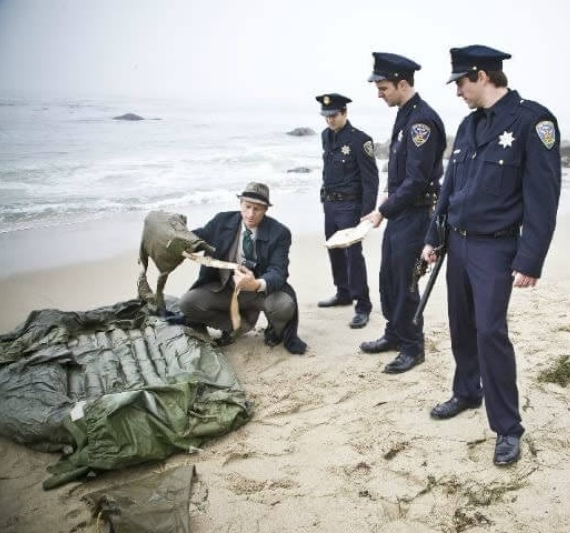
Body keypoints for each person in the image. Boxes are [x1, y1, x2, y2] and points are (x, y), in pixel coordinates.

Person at [421, 45, 561, 466]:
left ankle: (507, 427)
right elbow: (450, 187)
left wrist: (530, 258)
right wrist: (434, 236)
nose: (458, 90)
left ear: (482, 76)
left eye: (461, 81)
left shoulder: (532, 121)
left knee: (490, 334)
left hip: (496, 247)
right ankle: (466, 391)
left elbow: (543, 196)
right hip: (458, 243)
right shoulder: (468, 126)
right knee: (461, 326)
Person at [360, 52, 446, 374]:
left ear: (402, 83)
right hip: (400, 213)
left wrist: (382, 210)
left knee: (407, 284)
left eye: (383, 88)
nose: (379, 94)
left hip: (416, 215)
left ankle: (413, 347)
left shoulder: (421, 120)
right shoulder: (404, 113)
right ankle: (394, 333)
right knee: (389, 279)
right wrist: (385, 200)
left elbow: (417, 180)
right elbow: (397, 173)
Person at [175, 182, 307, 354]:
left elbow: (278, 272)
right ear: (240, 204)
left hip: (260, 291)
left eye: (257, 209)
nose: (251, 214)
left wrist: (255, 284)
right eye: (247, 206)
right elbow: (197, 239)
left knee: (285, 305)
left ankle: (275, 330)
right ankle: (237, 325)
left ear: (266, 209)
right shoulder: (222, 221)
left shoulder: (280, 233)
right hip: (227, 288)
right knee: (187, 304)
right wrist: (175, 237)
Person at [315, 93, 379, 329]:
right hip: (330, 205)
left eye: (333, 115)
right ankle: (343, 292)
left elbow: (371, 180)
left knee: (353, 256)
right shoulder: (326, 136)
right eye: (326, 116)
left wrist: (367, 214)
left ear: (344, 113)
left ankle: (363, 305)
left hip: (351, 207)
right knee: (334, 250)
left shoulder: (360, 140)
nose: (329, 120)